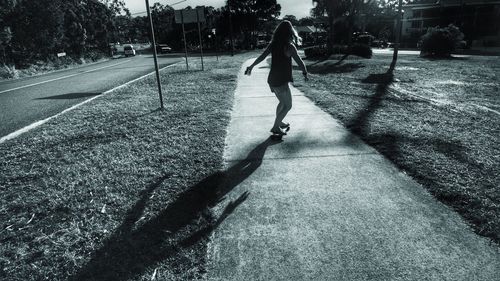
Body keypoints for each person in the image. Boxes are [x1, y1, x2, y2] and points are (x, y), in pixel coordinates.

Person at [245, 20, 309, 136]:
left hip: (272, 80)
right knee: (288, 105)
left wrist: (251, 66)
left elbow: (261, 57)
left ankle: (279, 122)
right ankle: (275, 127)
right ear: (290, 32)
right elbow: (300, 62)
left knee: (282, 103)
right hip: (281, 81)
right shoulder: (290, 47)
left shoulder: (273, 44)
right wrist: (305, 73)